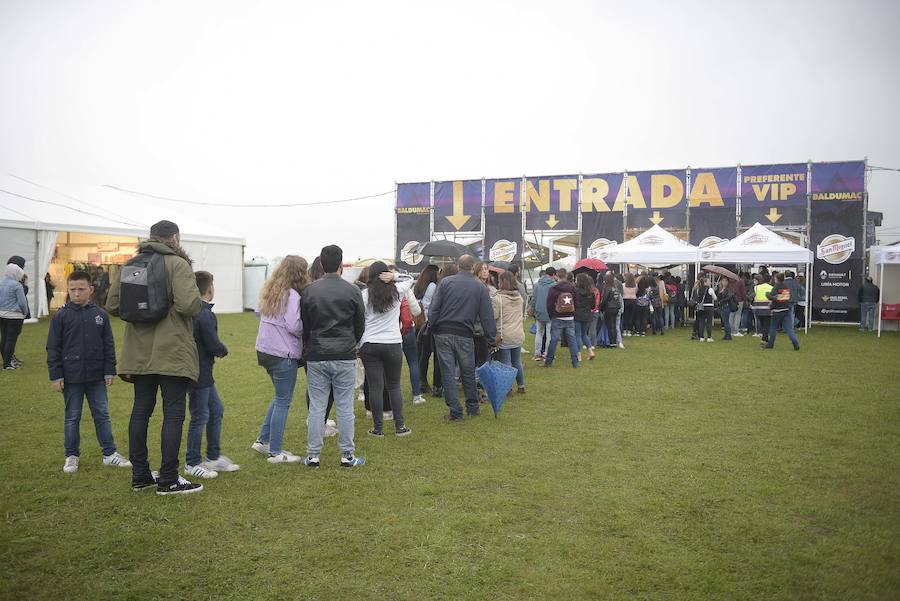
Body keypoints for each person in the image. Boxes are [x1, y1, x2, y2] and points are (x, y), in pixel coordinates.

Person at [106, 220, 204, 495]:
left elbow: (113, 304)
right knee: (173, 413)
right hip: (171, 347)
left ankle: (140, 476)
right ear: (175, 237)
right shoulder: (178, 264)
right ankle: (169, 478)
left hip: (138, 350)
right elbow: (189, 304)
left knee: (141, 410)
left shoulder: (131, 264)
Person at [47, 271, 131, 474]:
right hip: (71, 377)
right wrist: (56, 375)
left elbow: (108, 345)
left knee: (102, 414)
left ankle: (110, 454)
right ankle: (71, 455)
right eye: (72, 289)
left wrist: (109, 370)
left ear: (91, 290)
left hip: (96, 377)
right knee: (72, 417)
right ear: (68, 290)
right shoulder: (61, 316)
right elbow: (53, 347)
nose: (77, 293)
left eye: (81, 289)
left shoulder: (100, 315)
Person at [301, 245, 366, 468]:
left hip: (317, 353)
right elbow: (360, 325)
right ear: (340, 263)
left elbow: (305, 325)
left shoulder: (309, 291)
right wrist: (351, 343)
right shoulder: (353, 290)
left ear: (321, 262)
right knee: (345, 406)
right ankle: (347, 455)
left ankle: (313, 456)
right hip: (344, 353)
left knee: (317, 406)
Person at [251, 256, 308, 463]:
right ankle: (275, 452)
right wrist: (306, 330)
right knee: (284, 401)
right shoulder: (292, 295)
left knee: (279, 397)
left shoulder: (270, 290)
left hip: (265, 350)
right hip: (282, 353)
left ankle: (262, 441)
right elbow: (294, 326)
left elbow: (259, 312)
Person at [428, 254, 497, 420]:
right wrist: (491, 338)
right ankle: (472, 407)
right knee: (467, 372)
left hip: (443, 332)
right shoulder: (480, 287)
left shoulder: (445, 282)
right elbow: (487, 316)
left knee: (448, 373)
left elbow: (434, 308)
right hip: (465, 333)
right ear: (473, 268)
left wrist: (433, 325)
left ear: (458, 267)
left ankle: (455, 411)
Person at [185, 271, 238, 478]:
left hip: (201, 372)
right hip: (198, 372)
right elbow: (212, 343)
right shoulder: (204, 313)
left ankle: (213, 457)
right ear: (209, 288)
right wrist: (223, 350)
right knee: (200, 416)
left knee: (216, 409)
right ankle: (192, 462)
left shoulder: (192, 310)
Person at [359, 261, 414, 438]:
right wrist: (395, 276)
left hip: (370, 343)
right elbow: (411, 278)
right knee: (394, 386)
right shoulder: (397, 291)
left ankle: (378, 428)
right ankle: (400, 426)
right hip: (393, 343)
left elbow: (360, 321)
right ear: (385, 274)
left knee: (375, 386)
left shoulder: (364, 295)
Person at [492, 271, 525, 393]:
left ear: (502, 282)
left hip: (504, 335)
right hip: (518, 333)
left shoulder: (498, 299)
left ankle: (508, 388)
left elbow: (494, 316)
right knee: (517, 361)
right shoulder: (519, 297)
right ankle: (521, 385)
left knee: (505, 362)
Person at [414, 264, 440, 398]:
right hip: (428, 324)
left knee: (421, 356)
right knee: (427, 355)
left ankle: (420, 381)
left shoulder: (418, 285)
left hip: (418, 324)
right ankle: (423, 383)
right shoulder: (433, 287)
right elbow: (431, 305)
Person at [543, 271, 579, 368]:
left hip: (557, 317)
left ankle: (549, 362)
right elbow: (576, 302)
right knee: (572, 340)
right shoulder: (572, 288)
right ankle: (575, 362)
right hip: (570, 317)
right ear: (566, 276)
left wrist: (551, 316)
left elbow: (549, 304)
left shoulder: (553, 289)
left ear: (556, 276)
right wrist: (573, 313)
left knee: (553, 340)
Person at [1, 261, 28, 370]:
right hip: (15, 316)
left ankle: (5, 361)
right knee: (11, 340)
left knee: (4, 338)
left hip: (2, 315)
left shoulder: (0, 282)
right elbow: (22, 302)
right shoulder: (17, 285)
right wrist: (24, 312)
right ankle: (7, 364)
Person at [764, 273, 800, 351]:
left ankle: (770, 344)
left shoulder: (776, 286)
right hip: (786, 309)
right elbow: (785, 298)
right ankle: (795, 343)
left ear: (776, 279)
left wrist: (767, 295)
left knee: (773, 328)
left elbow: (772, 297)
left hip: (777, 310)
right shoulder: (785, 286)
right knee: (789, 328)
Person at [529, 267, 556, 360]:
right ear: (553, 275)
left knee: (539, 333)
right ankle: (547, 353)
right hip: (550, 312)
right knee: (549, 334)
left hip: (539, 312)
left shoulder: (537, 284)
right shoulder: (554, 285)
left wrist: (532, 308)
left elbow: (533, 299)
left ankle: (537, 353)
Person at [573, 273, 596, 360]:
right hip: (587, 315)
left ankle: (578, 355)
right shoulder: (590, 292)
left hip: (577, 315)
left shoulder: (575, 292)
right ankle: (590, 351)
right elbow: (593, 306)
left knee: (577, 335)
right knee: (584, 334)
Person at [600, 271, 622, 349]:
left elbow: (605, 300)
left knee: (610, 326)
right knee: (614, 325)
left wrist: (601, 308)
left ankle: (611, 343)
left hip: (609, 308)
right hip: (616, 307)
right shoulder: (615, 288)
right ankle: (614, 342)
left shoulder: (608, 288)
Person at [751, 274, 773, 343]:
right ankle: (764, 339)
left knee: (763, 324)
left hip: (758, 308)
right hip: (768, 308)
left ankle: (764, 338)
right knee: (766, 324)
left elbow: (752, 296)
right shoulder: (771, 288)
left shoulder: (756, 287)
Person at [697, 276, 717, 342]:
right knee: (709, 322)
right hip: (709, 306)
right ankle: (709, 337)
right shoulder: (710, 289)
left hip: (701, 307)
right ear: (705, 282)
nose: (710, 282)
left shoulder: (699, 289)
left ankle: (701, 337)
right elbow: (715, 298)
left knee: (701, 322)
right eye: (709, 281)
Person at [716, 277, 734, 341]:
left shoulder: (728, 289)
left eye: (725, 281)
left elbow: (729, 297)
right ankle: (726, 335)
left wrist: (722, 301)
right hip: (721, 306)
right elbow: (718, 297)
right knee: (724, 321)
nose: (724, 282)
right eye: (723, 280)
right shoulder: (720, 289)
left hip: (726, 306)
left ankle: (728, 336)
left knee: (726, 322)